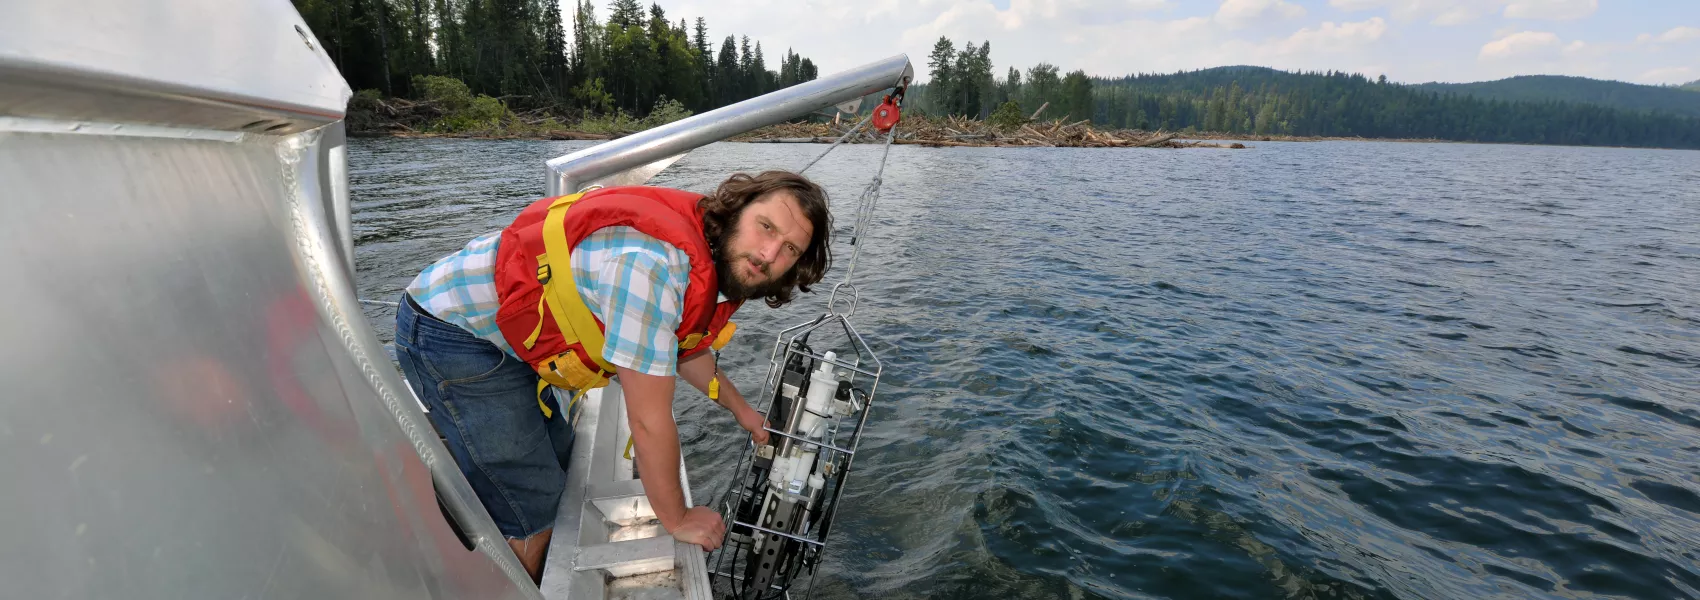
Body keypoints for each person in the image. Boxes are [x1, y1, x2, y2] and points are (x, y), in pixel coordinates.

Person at [392, 171, 832, 582]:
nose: (769, 254)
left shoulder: (710, 260)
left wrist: (744, 413)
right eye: (767, 227)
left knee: (560, 457)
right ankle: (507, 579)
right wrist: (677, 519)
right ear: (736, 210)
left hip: (505, 337)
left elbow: (687, 349)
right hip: (450, 329)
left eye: (790, 249)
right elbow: (647, 420)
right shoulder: (652, 269)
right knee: (535, 507)